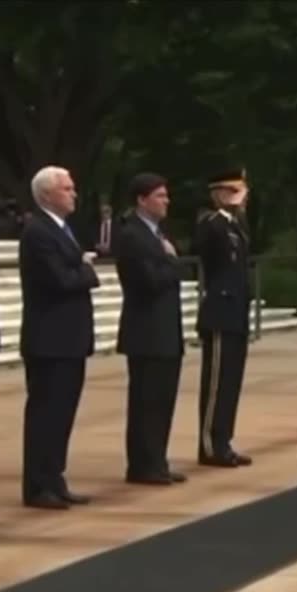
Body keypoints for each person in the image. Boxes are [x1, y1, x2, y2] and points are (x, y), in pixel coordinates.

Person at [18, 166, 98, 510]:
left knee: (62, 413)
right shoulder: (38, 231)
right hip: (49, 338)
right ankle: (38, 484)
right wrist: (86, 269)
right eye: (66, 188)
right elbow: (60, 279)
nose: (73, 193)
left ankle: (55, 478)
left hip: (69, 337)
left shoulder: (62, 229)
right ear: (47, 194)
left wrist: (79, 267)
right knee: (45, 414)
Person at [113, 172, 187, 485]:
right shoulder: (132, 235)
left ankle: (157, 460)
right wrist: (172, 262)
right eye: (159, 195)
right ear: (142, 200)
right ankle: (142, 464)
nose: (166, 201)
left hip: (165, 329)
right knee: (146, 400)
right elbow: (148, 280)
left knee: (163, 400)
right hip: (146, 330)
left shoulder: (157, 233)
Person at [192, 167, 253, 468]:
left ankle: (223, 441)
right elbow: (204, 244)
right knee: (216, 384)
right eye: (234, 191)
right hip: (219, 313)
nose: (242, 197)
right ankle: (209, 445)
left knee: (231, 382)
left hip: (236, 313)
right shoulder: (212, 224)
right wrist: (224, 205)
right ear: (219, 194)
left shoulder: (236, 226)